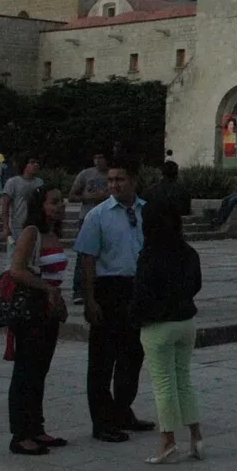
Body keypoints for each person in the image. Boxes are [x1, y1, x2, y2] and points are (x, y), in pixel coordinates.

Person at [76, 158, 153, 442]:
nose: (113, 185)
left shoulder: (147, 211)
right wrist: (90, 299)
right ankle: (101, 421)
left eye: (119, 179)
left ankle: (122, 410)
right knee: (102, 359)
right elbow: (87, 259)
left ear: (133, 180)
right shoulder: (98, 215)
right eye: (110, 180)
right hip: (109, 288)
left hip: (138, 288)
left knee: (132, 355)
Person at [132, 201, 203, 464]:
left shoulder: (150, 254)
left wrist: (136, 317)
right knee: (183, 379)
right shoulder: (188, 252)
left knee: (163, 384)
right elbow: (196, 285)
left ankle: (168, 440)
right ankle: (196, 435)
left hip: (158, 325)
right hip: (186, 321)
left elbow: (141, 292)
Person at [6, 186, 68, 455]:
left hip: (48, 311)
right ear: (40, 205)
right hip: (31, 309)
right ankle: (20, 434)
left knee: (39, 371)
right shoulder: (31, 233)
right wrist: (47, 289)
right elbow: (17, 270)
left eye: (61, 201)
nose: (60, 206)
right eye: (53, 202)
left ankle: (36, 427)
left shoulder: (53, 234)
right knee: (26, 371)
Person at [67, 152, 111, 301]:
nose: (98, 161)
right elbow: (72, 196)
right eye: (95, 158)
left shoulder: (112, 174)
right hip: (87, 217)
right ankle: (79, 290)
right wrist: (91, 197)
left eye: (101, 157)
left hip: (108, 218)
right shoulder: (86, 174)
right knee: (83, 255)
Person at [1, 156, 43, 252]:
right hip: (18, 227)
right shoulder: (13, 182)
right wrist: (6, 226)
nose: (36, 165)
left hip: (35, 226)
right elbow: (5, 206)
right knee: (16, 254)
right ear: (25, 165)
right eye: (32, 162)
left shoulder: (40, 182)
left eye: (37, 163)